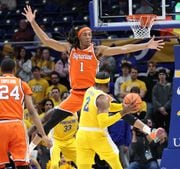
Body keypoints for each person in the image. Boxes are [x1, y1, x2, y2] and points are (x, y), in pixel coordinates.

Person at [22, 5, 165, 147]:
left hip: (93, 94)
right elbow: (46, 40)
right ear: (79, 36)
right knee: (52, 120)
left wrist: (146, 45)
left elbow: (123, 49)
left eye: (90, 34)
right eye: (85, 34)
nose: (89, 36)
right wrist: (33, 22)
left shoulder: (97, 50)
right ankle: (29, 151)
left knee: (123, 111)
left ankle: (150, 131)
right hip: (75, 95)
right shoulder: (70, 48)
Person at [76, 71, 163, 169]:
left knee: (83, 166)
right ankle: (149, 131)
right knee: (115, 159)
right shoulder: (103, 99)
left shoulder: (89, 91)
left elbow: (108, 107)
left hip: (82, 134)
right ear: (108, 83)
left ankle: (149, 131)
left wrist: (122, 106)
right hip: (97, 135)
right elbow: (103, 123)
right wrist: (123, 112)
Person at [0, 58, 52, 169]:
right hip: (16, 126)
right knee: (22, 164)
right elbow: (32, 112)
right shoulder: (22, 84)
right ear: (15, 70)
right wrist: (43, 135)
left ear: (1, 70)